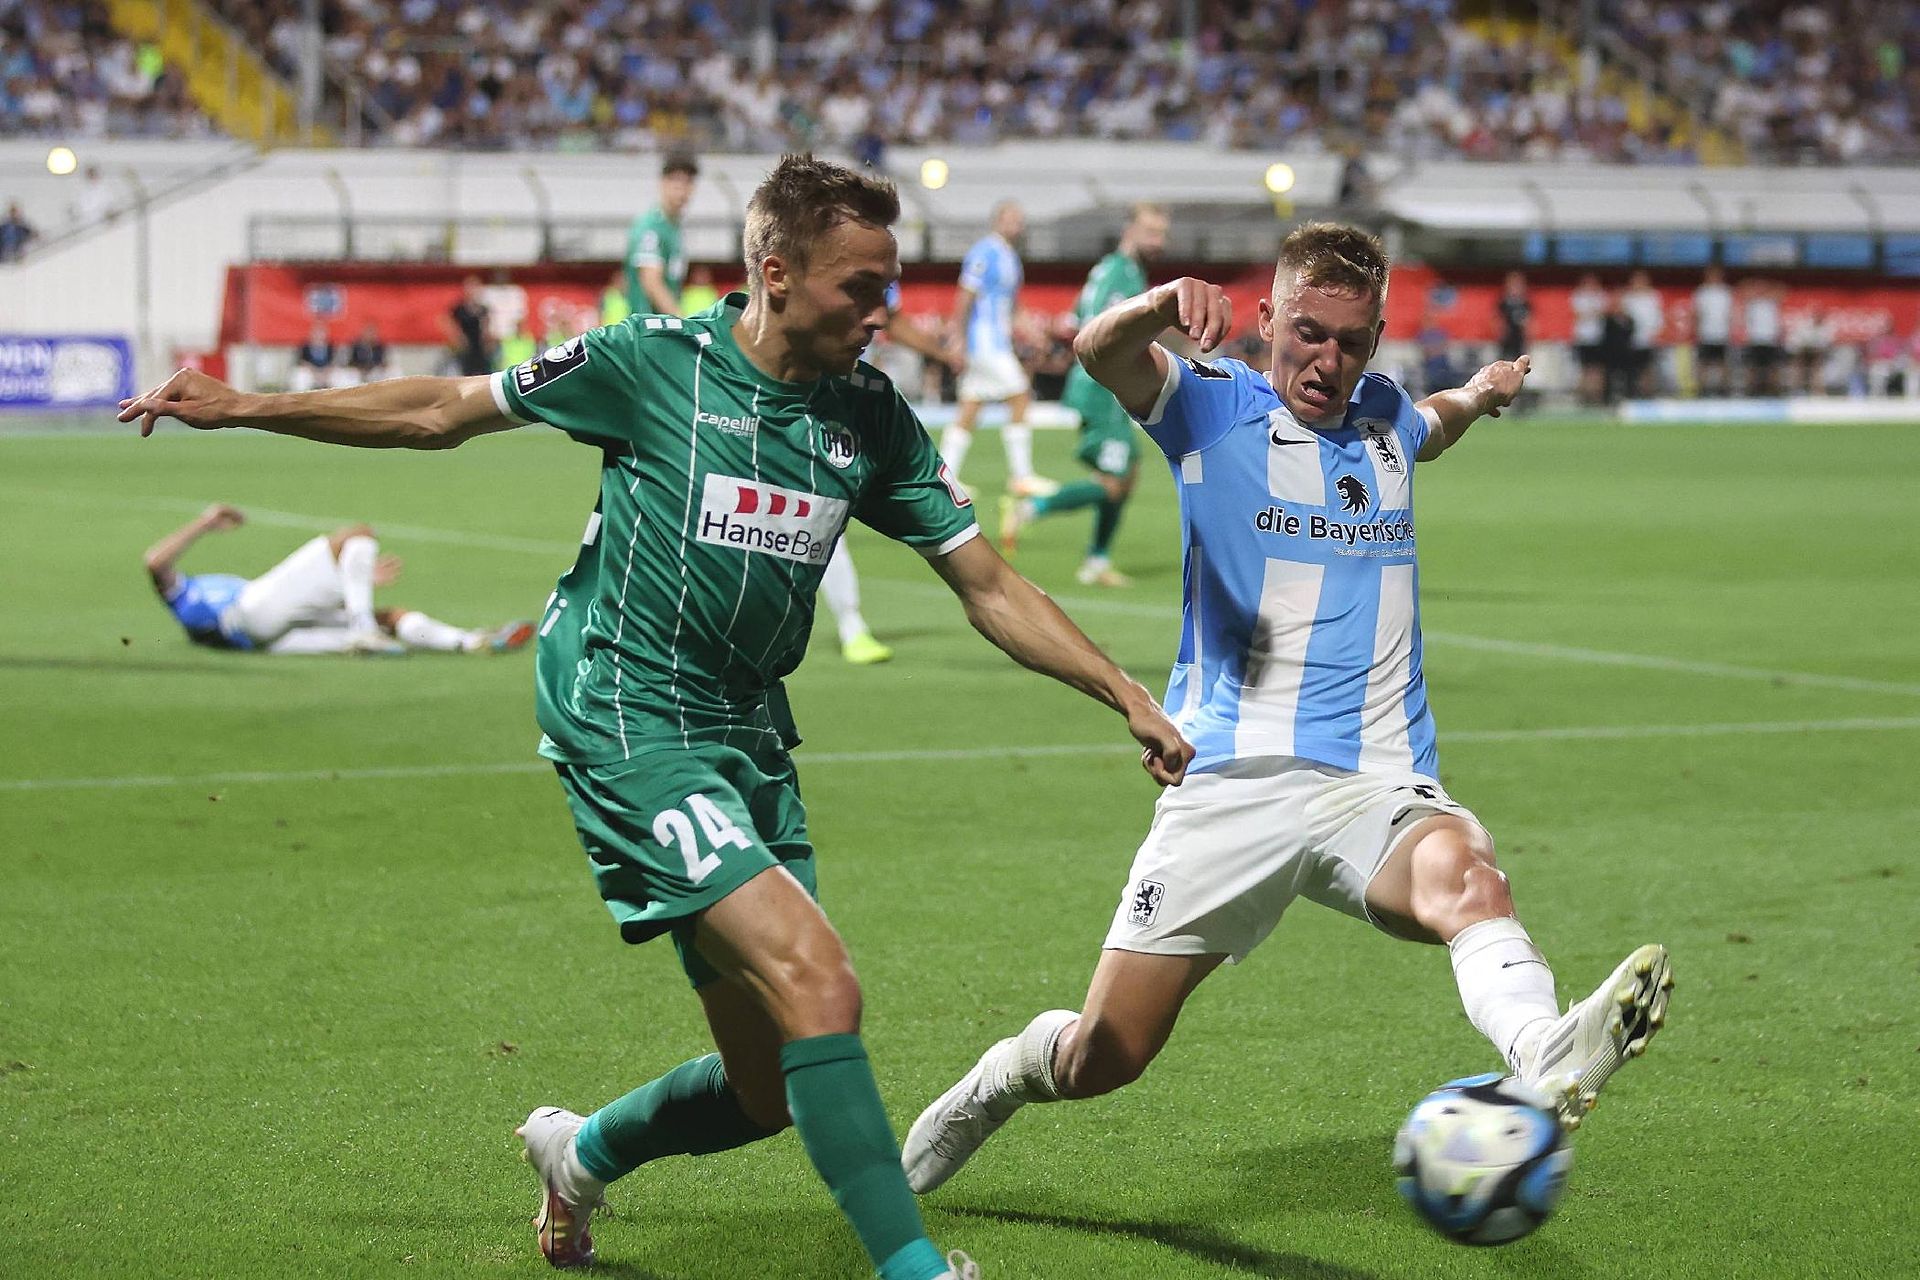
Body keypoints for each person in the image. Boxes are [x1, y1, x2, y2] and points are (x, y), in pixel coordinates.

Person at [120, 154, 1193, 1280]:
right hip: (623, 708)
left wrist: (1124, 690)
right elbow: (444, 407)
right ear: (776, 274)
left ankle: (578, 1157)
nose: (889, 312)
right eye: (861, 288)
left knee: (769, 1084)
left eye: (891, 285)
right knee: (822, 982)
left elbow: (986, 582)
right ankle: (912, 1269)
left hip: (745, 731)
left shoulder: (869, 414)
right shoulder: (650, 363)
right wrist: (247, 405)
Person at [901, 223, 1672, 1203]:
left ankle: (1544, 1049)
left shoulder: (1384, 414)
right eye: (1308, 332)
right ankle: (999, 1079)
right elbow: (1098, 353)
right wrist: (1157, 302)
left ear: (1377, 338)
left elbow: (1433, 417)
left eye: (1353, 342)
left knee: (1468, 873)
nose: (1328, 360)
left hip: (1374, 777)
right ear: (1266, 317)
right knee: (1108, 1053)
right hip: (1230, 778)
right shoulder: (1210, 404)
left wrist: (1482, 392)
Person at [999, 203, 1170, 588]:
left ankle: (1096, 560)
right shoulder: (1122, 273)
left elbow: (1078, 317)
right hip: (1103, 386)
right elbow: (1100, 327)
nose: (1159, 241)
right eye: (1152, 231)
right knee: (1115, 481)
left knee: (1125, 474)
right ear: (1130, 230)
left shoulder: (1113, 270)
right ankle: (1031, 509)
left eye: (1163, 233)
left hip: (1103, 383)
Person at [144, 504, 532, 655]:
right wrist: (206, 522)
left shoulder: (196, 596)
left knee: (392, 618)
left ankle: (472, 642)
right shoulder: (186, 601)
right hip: (250, 614)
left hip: (278, 639)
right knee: (356, 535)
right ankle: (363, 628)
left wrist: (356, 579)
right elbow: (154, 561)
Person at [939, 201, 1052, 500]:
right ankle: (1021, 475)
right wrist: (958, 337)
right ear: (997, 221)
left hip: (995, 341)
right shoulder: (984, 252)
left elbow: (1013, 307)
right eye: (1010, 218)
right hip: (984, 342)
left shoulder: (1010, 257)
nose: (1016, 224)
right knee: (1020, 395)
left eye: (1019, 219)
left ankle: (944, 476)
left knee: (971, 406)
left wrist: (1033, 333)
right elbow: (966, 295)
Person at [625, 152, 698, 316]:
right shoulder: (651, 227)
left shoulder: (675, 228)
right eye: (676, 182)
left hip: (664, 328)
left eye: (688, 183)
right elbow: (651, 282)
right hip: (648, 329)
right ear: (663, 183)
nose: (682, 191)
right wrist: (681, 322)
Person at [1692, 265, 1734, 397]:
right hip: (1705, 333)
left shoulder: (1726, 292)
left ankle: (1723, 390)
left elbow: (1729, 314)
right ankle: (1702, 390)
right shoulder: (1701, 292)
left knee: (1722, 363)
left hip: (1722, 333)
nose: (1714, 277)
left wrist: (1730, 330)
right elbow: (1697, 313)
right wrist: (1696, 330)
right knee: (1703, 363)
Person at [1622, 270, 1665, 398]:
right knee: (1632, 369)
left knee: (1648, 369)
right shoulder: (1628, 298)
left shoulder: (1654, 296)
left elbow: (1658, 316)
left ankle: (1648, 395)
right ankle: (1633, 394)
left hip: (1649, 339)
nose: (1638, 283)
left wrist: (1656, 332)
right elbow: (1624, 318)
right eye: (1636, 280)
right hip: (1632, 340)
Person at [445, 276, 495, 377]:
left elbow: (487, 326)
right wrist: (457, 337)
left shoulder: (482, 308)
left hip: (480, 347)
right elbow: (447, 321)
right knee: (465, 374)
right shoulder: (459, 308)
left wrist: (489, 340)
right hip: (466, 347)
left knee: (484, 375)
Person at [1742, 279, 1784, 397]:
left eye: (1763, 288)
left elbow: (1782, 289)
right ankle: (1750, 391)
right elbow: (1743, 288)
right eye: (1758, 288)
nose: (1761, 290)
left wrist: (1768, 291)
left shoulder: (1772, 302)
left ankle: (1774, 391)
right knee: (1752, 367)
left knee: (1773, 367)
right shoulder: (1751, 303)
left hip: (1770, 339)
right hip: (1755, 339)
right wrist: (1754, 289)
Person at [1569, 272, 1606, 406]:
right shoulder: (1578, 296)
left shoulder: (1601, 296)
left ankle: (1596, 398)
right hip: (1583, 338)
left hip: (1597, 338)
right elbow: (1578, 315)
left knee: (1597, 369)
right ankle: (1584, 398)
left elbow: (1602, 313)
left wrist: (1589, 313)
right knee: (1584, 369)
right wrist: (1592, 312)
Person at [1599, 288, 1637, 405]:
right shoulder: (1607, 319)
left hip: (1625, 352)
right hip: (1610, 352)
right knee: (1609, 377)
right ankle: (1607, 400)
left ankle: (1630, 398)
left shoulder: (1629, 319)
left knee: (1629, 376)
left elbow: (1631, 333)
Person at [1495, 270, 1531, 364]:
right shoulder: (1503, 303)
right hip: (1505, 342)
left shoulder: (1525, 304)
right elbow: (1496, 320)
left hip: (1520, 342)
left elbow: (1530, 322)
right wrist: (1500, 329)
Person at [289, 322, 336, 392]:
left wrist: (325, 373)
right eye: (316, 333)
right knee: (300, 375)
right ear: (312, 334)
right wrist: (315, 373)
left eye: (321, 333)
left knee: (339, 376)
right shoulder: (305, 346)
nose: (319, 335)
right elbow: (301, 361)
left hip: (326, 372)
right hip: (310, 371)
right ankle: (300, 399)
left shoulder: (331, 346)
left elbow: (334, 361)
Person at [343, 322, 389, 386]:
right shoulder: (355, 345)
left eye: (373, 333)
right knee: (351, 375)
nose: (371, 335)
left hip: (374, 371)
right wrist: (361, 368)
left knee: (387, 372)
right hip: (358, 371)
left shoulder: (379, 346)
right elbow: (350, 362)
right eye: (369, 332)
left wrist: (380, 366)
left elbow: (381, 361)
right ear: (363, 333)